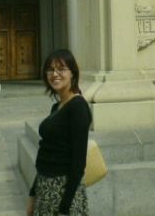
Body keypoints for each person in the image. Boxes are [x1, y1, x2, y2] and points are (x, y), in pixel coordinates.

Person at [28, 49, 92, 216]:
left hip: (64, 192)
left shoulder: (78, 107)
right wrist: (33, 195)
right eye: (50, 69)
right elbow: (46, 152)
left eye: (61, 69)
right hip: (45, 188)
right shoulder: (57, 107)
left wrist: (64, 209)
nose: (54, 74)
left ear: (73, 73)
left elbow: (78, 163)